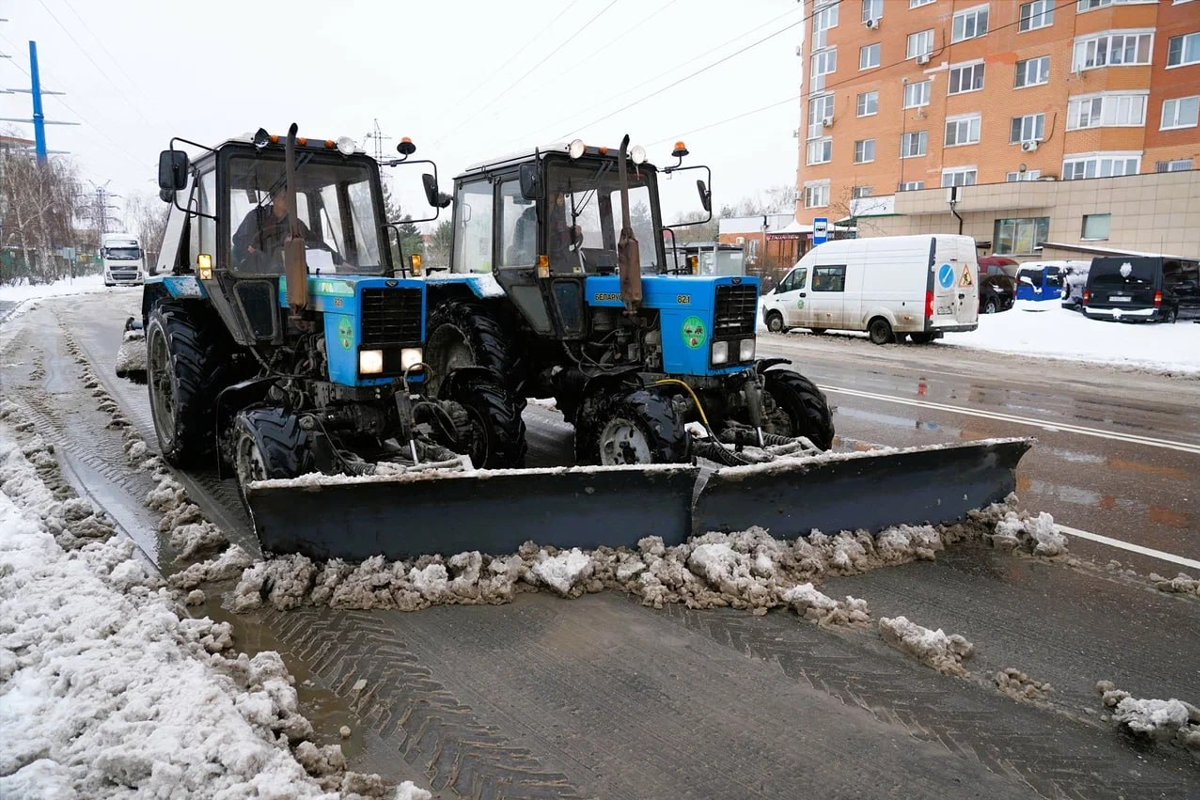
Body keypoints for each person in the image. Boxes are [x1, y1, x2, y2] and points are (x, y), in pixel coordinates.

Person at [232, 189, 328, 271]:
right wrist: (252, 249)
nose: (288, 200)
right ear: (273, 199)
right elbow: (238, 240)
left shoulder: (296, 223)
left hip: (285, 271)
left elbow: (316, 243)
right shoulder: (256, 217)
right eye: (284, 197)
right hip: (257, 272)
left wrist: (334, 258)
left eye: (291, 197)